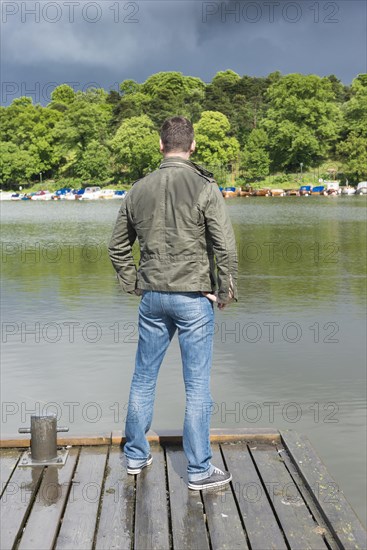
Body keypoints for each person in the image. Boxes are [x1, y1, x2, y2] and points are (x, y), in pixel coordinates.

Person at [108, 116, 238, 490]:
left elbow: (117, 246)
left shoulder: (138, 189)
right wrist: (225, 291)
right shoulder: (204, 185)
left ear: (160, 146)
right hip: (193, 298)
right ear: (192, 146)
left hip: (152, 299)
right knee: (196, 385)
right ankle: (198, 471)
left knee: (143, 378)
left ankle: (135, 456)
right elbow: (225, 246)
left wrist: (134, 282)